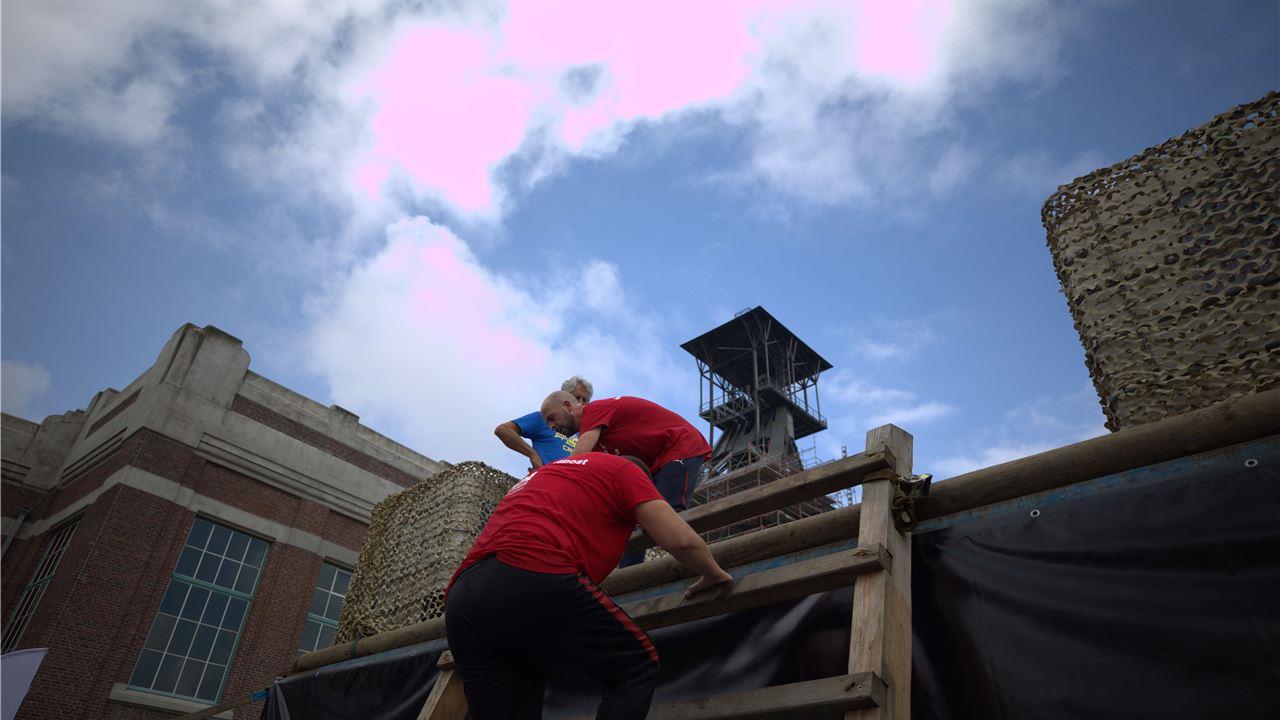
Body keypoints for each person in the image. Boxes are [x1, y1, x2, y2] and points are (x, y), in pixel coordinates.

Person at [444, 453, 732, 720]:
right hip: (534, 570)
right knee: (636, 668)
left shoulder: (551, 473)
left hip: (462, 599)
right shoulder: (625, 470)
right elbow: (680, 540)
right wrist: (713, 573)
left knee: (511, 702)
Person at [541, 392, 712, 566]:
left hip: (679, 446)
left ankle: (706, 568)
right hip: (655, 466)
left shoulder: (593, 411)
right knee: (632, 522)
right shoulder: (596, 442)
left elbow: (576, 462)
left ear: (568, 406)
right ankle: (627, 574)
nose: (551, 426)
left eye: (551, 418)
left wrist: (546, 485)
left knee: (664, 518)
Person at [494, 376, 594, 470]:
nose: (581, 403)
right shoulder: (545, 419)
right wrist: (532, 454)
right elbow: (503, 430)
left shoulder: (590, 430)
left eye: (585, 400)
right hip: (547, 478)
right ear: (565, 398)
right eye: (577, 397)